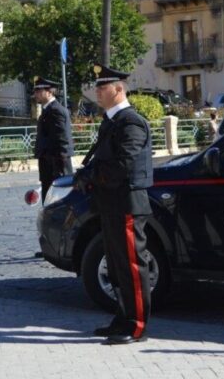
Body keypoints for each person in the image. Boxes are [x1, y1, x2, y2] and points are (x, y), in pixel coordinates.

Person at [85, 64, 153, 345]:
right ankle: (122, 317)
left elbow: (123, 165)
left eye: (103, 87)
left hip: (127, 203)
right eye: (97, 87)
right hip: (111, 203)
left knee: (132, 266)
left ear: (119, 89)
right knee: (115, 265)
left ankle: (136, 326)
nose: (98, 92)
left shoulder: (131, 123)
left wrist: (92, 176)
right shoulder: (112, 121)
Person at [33, 77, 74, 203]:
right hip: (48, 165)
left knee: (58, 202)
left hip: (56, 166)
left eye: (39, 91)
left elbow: (62, 140)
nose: (36, 94)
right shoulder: (48, 109)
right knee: (48, 201)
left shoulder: (56, 110)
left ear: (49, 92)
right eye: (35, 91)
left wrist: (60, 170)